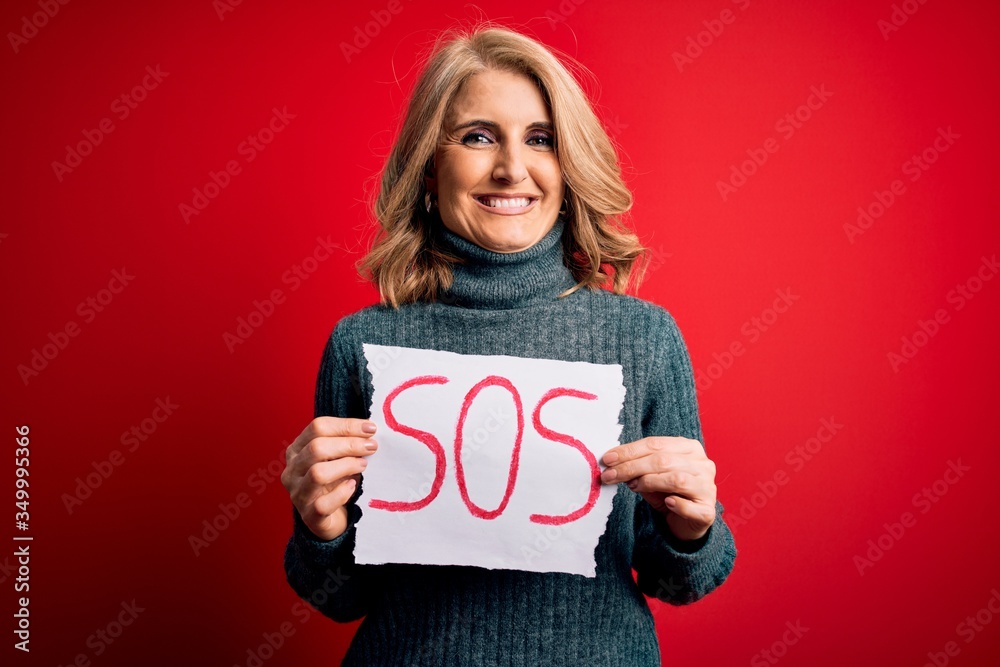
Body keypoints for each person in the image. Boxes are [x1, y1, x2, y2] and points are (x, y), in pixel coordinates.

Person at [281, 23, 736, 666]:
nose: (512, 167)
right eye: (477, 137)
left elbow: (676, 582)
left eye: (541, 140)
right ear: (430, 168)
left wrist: (692, 529)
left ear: (569, 164)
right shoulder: (364, 344)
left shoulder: (643, 338)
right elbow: (341, 598)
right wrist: (320, 529)